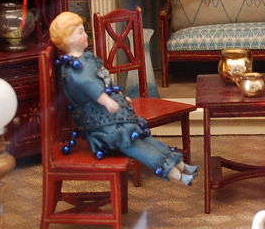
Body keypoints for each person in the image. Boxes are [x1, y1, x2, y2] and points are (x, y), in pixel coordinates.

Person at [49, 12, 197, 184]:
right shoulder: (73, 70)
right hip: (101, 125)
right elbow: (91, 87)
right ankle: (178, 175)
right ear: (69, 39)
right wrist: (108, 102)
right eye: (81, 32)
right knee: (133, 143)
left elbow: (104, 80)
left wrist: (119, 95)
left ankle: (180, 165)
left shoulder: (86, 58)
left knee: (141, 136)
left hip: (113, 116)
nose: (86, 35)